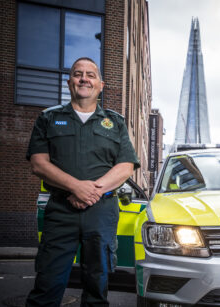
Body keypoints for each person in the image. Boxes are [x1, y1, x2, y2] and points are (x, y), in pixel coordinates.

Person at [25, 57, 140, 306]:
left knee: (97, 287)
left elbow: (125, 166)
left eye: (90, 75)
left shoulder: (115, 122)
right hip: (60, 211)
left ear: (100, 85)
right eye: (78, 74)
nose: (84, 79)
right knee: (47, 285)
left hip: (101, 212)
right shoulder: (48, 118)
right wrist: (76, 187)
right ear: (69, 82)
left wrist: (92, 192)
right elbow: (39, 163)